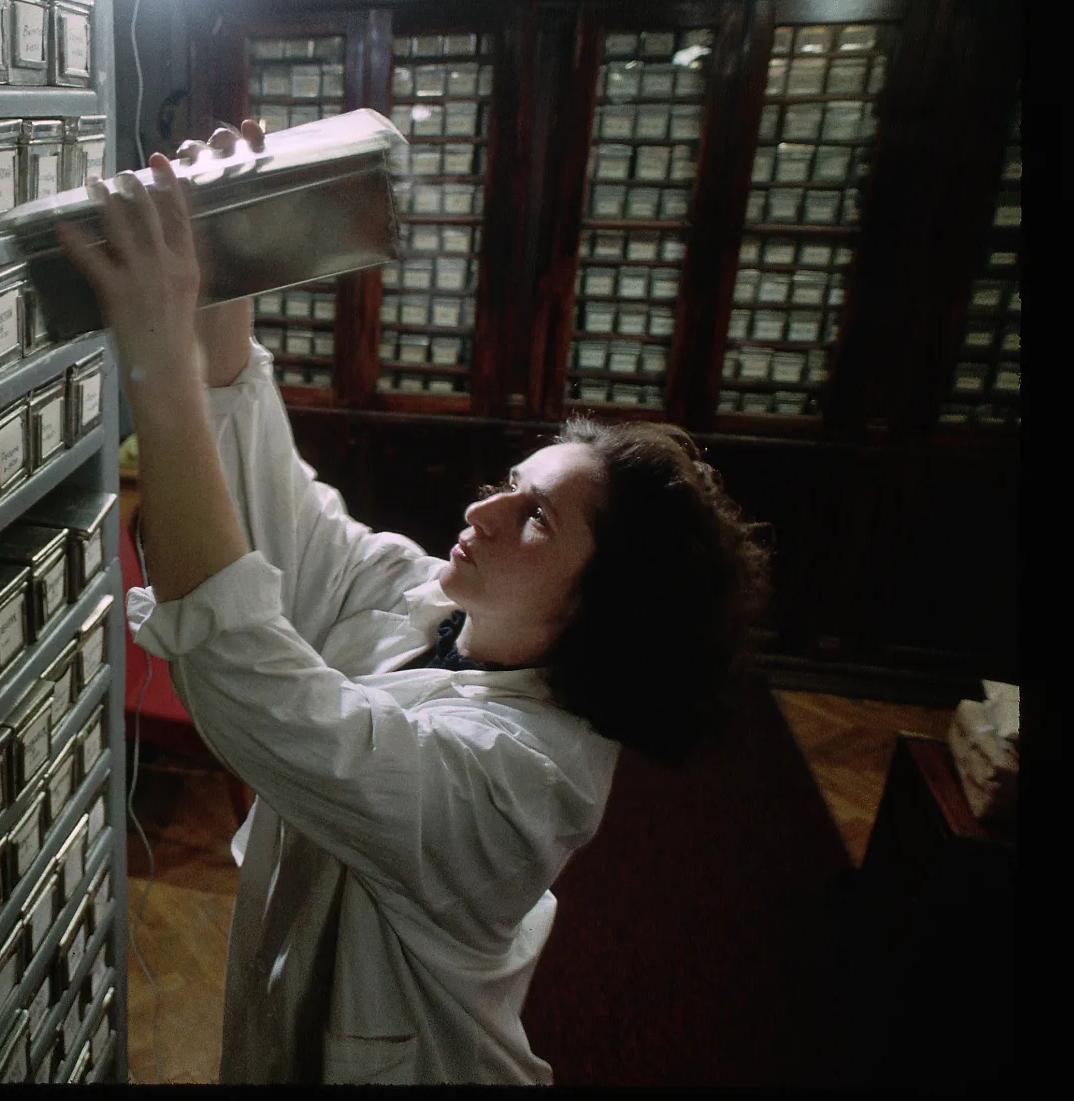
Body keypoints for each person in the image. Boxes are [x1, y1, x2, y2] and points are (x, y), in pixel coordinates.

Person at [57, 120, 771, 1085]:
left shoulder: (526, 784)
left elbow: (268, 701)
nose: (485, 506)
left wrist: (158, 354)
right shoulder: (438, 608)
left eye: (536, 519)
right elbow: (292, 524)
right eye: (514, 479)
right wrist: (227, 274)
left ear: (610, 602)